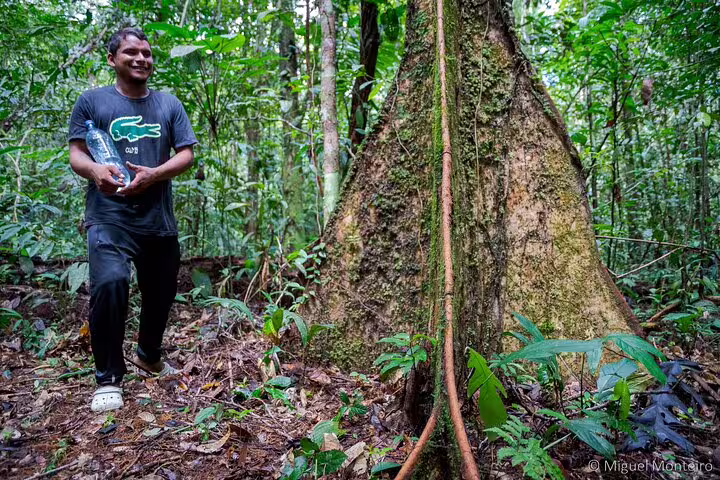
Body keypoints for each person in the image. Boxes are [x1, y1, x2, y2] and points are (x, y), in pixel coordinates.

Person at [68, 27, 197, 412]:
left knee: (161, 292)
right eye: (131, 52)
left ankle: (149, 353)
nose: (142, 58)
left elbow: (187, 154)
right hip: (109, 216)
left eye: (147, 53)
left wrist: (155, 174)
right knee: (110, 283)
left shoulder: (168, 105)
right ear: (113, 59)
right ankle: (108, 378)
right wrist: (95, 172)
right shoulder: (92, 102)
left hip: (157, 218)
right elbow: (77, 153)